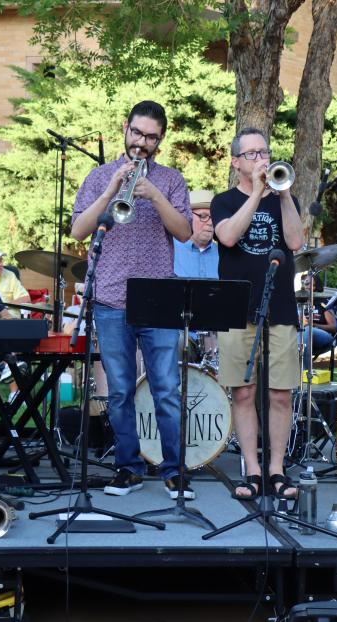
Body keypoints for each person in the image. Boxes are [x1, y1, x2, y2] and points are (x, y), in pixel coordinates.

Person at [70, 100, 194, 500]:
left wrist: (154, 195)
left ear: (161, 139)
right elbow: (78, 231)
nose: (142, 142)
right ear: (126, 128)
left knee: (166, 390)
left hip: (158, 298)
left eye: (151, 137)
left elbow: (185, 233)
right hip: (109, 298)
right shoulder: (98, 176)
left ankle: (175, 472)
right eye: (137, 133)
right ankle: (128, 468)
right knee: (120, 391)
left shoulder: (171, 180)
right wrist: (112, 188)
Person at [211, 127, 304, 501]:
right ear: (236, 162)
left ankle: (276, 469)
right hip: (236, 308)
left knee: (281, 394)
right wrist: (255, 195)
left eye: (263, 152)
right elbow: (229, 237)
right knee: (244, 392)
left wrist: (282, 196)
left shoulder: (284, 197)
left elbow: (297, 242)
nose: (260, 159)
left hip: (280, 306)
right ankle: (251, 468)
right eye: (251, 154)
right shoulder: (223, 200)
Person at [173, 189, 219, 279]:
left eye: (213, 217)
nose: (210, 223)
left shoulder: (223, 254)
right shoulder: (169, 250)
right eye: (203, 216)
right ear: (187, 216)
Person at [298, 272, 337, 365]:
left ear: (316, 287)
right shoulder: (299, 302)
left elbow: (333, 327)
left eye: (309, 284)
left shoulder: (322, 302)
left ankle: (305, 372)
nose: (306, 286)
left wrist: (313, 325)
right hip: (302, 334)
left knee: (307, 330)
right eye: (304, 283)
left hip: (324, 336)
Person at [0, 246, 30, 317]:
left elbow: (26, 299)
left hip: (10, 321)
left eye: (1, 260)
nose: (1, 264)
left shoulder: (9, 275)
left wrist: (4, 307)